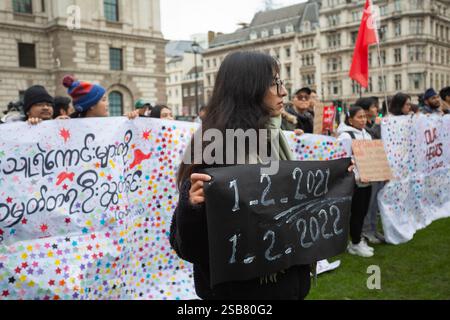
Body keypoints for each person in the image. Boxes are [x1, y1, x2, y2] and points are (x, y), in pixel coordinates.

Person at [337, 106, 374, 258]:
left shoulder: (367, 134)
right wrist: (355, 174)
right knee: (357, 213)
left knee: (363, 211)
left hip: (368, 179)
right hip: (356, 182)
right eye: (359, 117)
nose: (363, 120)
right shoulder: (346, 136)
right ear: (350, 119)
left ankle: (357, 240)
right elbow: (342, 159)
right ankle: (355, 243)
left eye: (364, 116)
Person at [63, 75, 139, 119]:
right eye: (103, 100)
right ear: (91, 105)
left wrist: (131, 122)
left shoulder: (112, 126)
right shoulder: (70, 128)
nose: (108, 103)